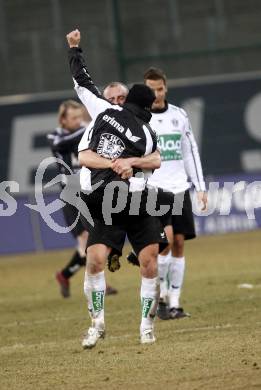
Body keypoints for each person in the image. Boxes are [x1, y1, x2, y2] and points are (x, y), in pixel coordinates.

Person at [66, 29, 167, 348]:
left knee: (149, 259)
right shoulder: (107, 116)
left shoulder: (136, 128)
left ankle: (146, 327)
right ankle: (97, 324)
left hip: (135, 200)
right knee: (97, 259)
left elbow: (155, 160)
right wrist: (117, 164)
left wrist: (75, 48)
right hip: (104, 202)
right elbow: (84, 156)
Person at [128, 67, 207, 320]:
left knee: (180, 244)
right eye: (151, 90)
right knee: (166, 242)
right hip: (155, 190)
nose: (156, 94)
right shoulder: (139, 119)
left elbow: (189, 151)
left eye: (160, 89)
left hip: (180, 187)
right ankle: (159, 297)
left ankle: (173, 302)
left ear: (166, 88)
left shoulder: (179, 115)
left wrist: (200, 187)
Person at [47, 100, 118, 298]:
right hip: (70, 195)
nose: (78, 121)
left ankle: (64, 274)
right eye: (74, 118)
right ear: (63, 119)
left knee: (98, 241)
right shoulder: (55, 136)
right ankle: (99, 285)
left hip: (90, 192)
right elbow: (63, 143)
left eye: (80, 117)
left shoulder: (86, 131)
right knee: (86, 242)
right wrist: (94, 124)